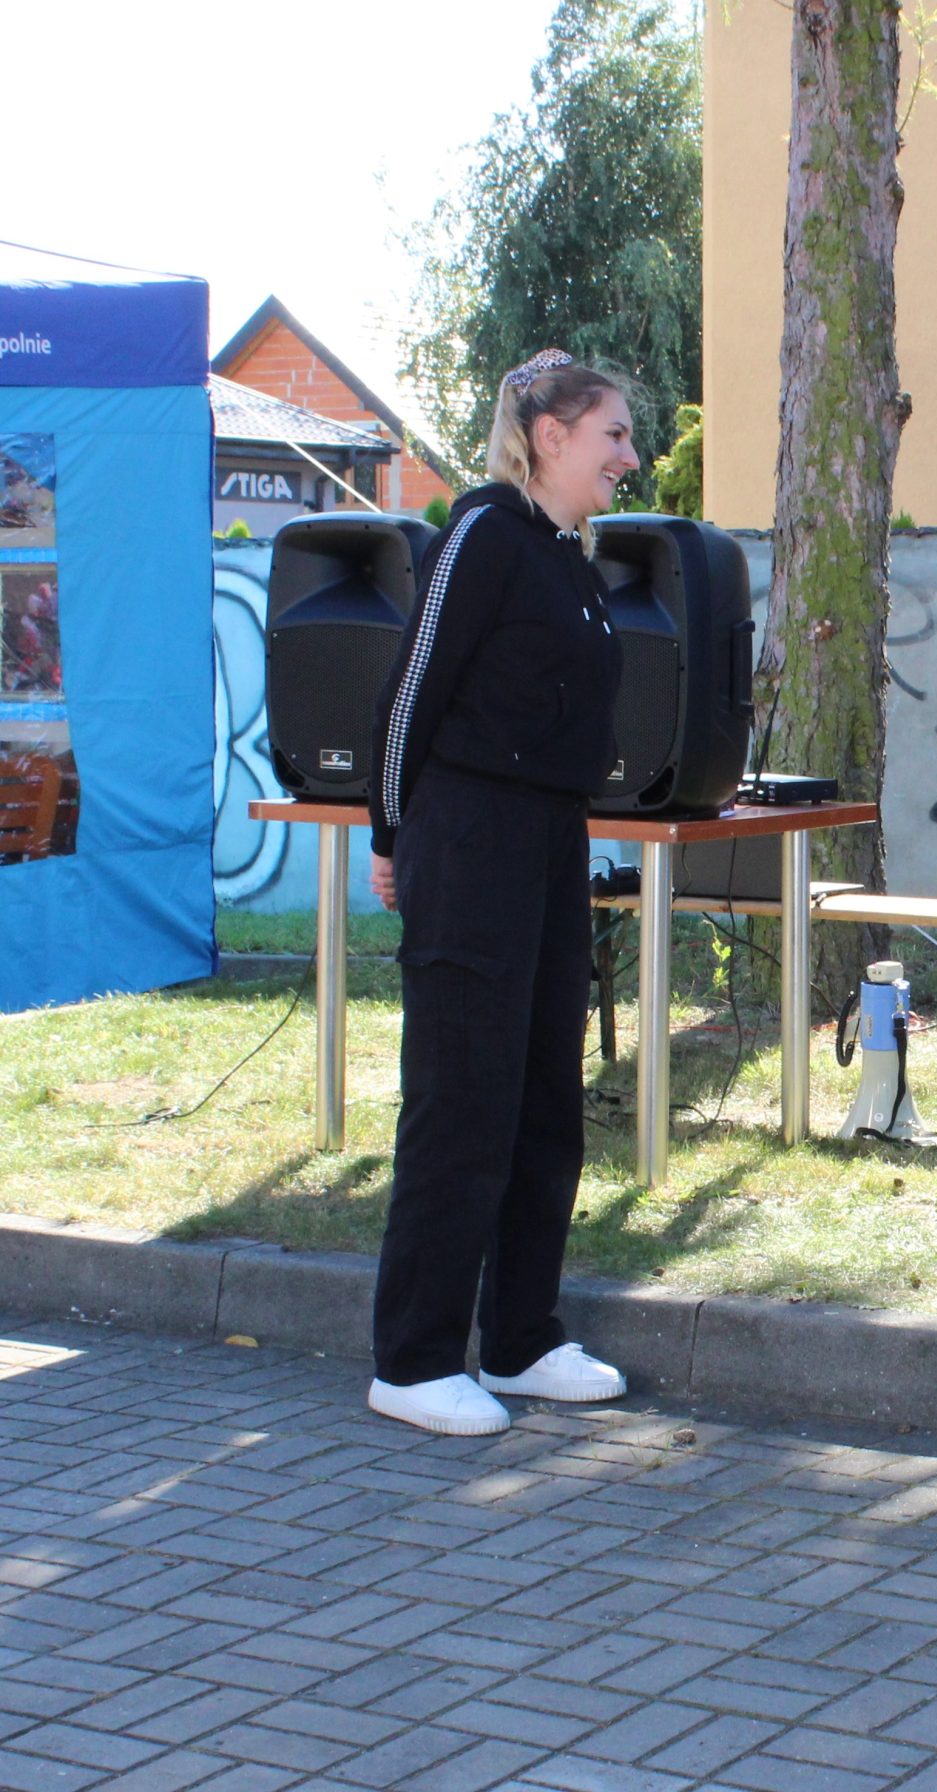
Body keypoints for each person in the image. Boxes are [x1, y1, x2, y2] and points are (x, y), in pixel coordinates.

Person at [361, 348, 640, 1437]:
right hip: (468, 842)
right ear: (551, 433)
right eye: (613, 433)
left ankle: (520, 1338)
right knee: (461, 1102)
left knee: (541, 1103)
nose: (630, 454)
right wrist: (393, 831)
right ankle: (414, 1358)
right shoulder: (480, 531)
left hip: (545, 843)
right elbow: (409, 691)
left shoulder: (570, 561)